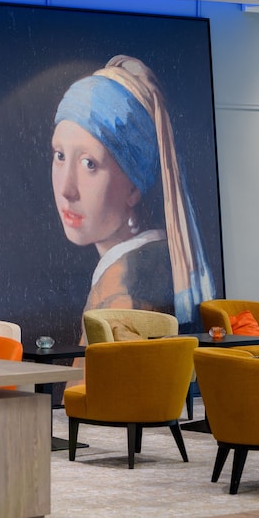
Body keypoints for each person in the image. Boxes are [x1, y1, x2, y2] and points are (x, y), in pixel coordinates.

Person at [51, 54, 214, 333]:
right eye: (60, 155)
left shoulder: (121, 287)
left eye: (89, 163)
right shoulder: (159, 257)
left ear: (134, 187)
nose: (67, 189)